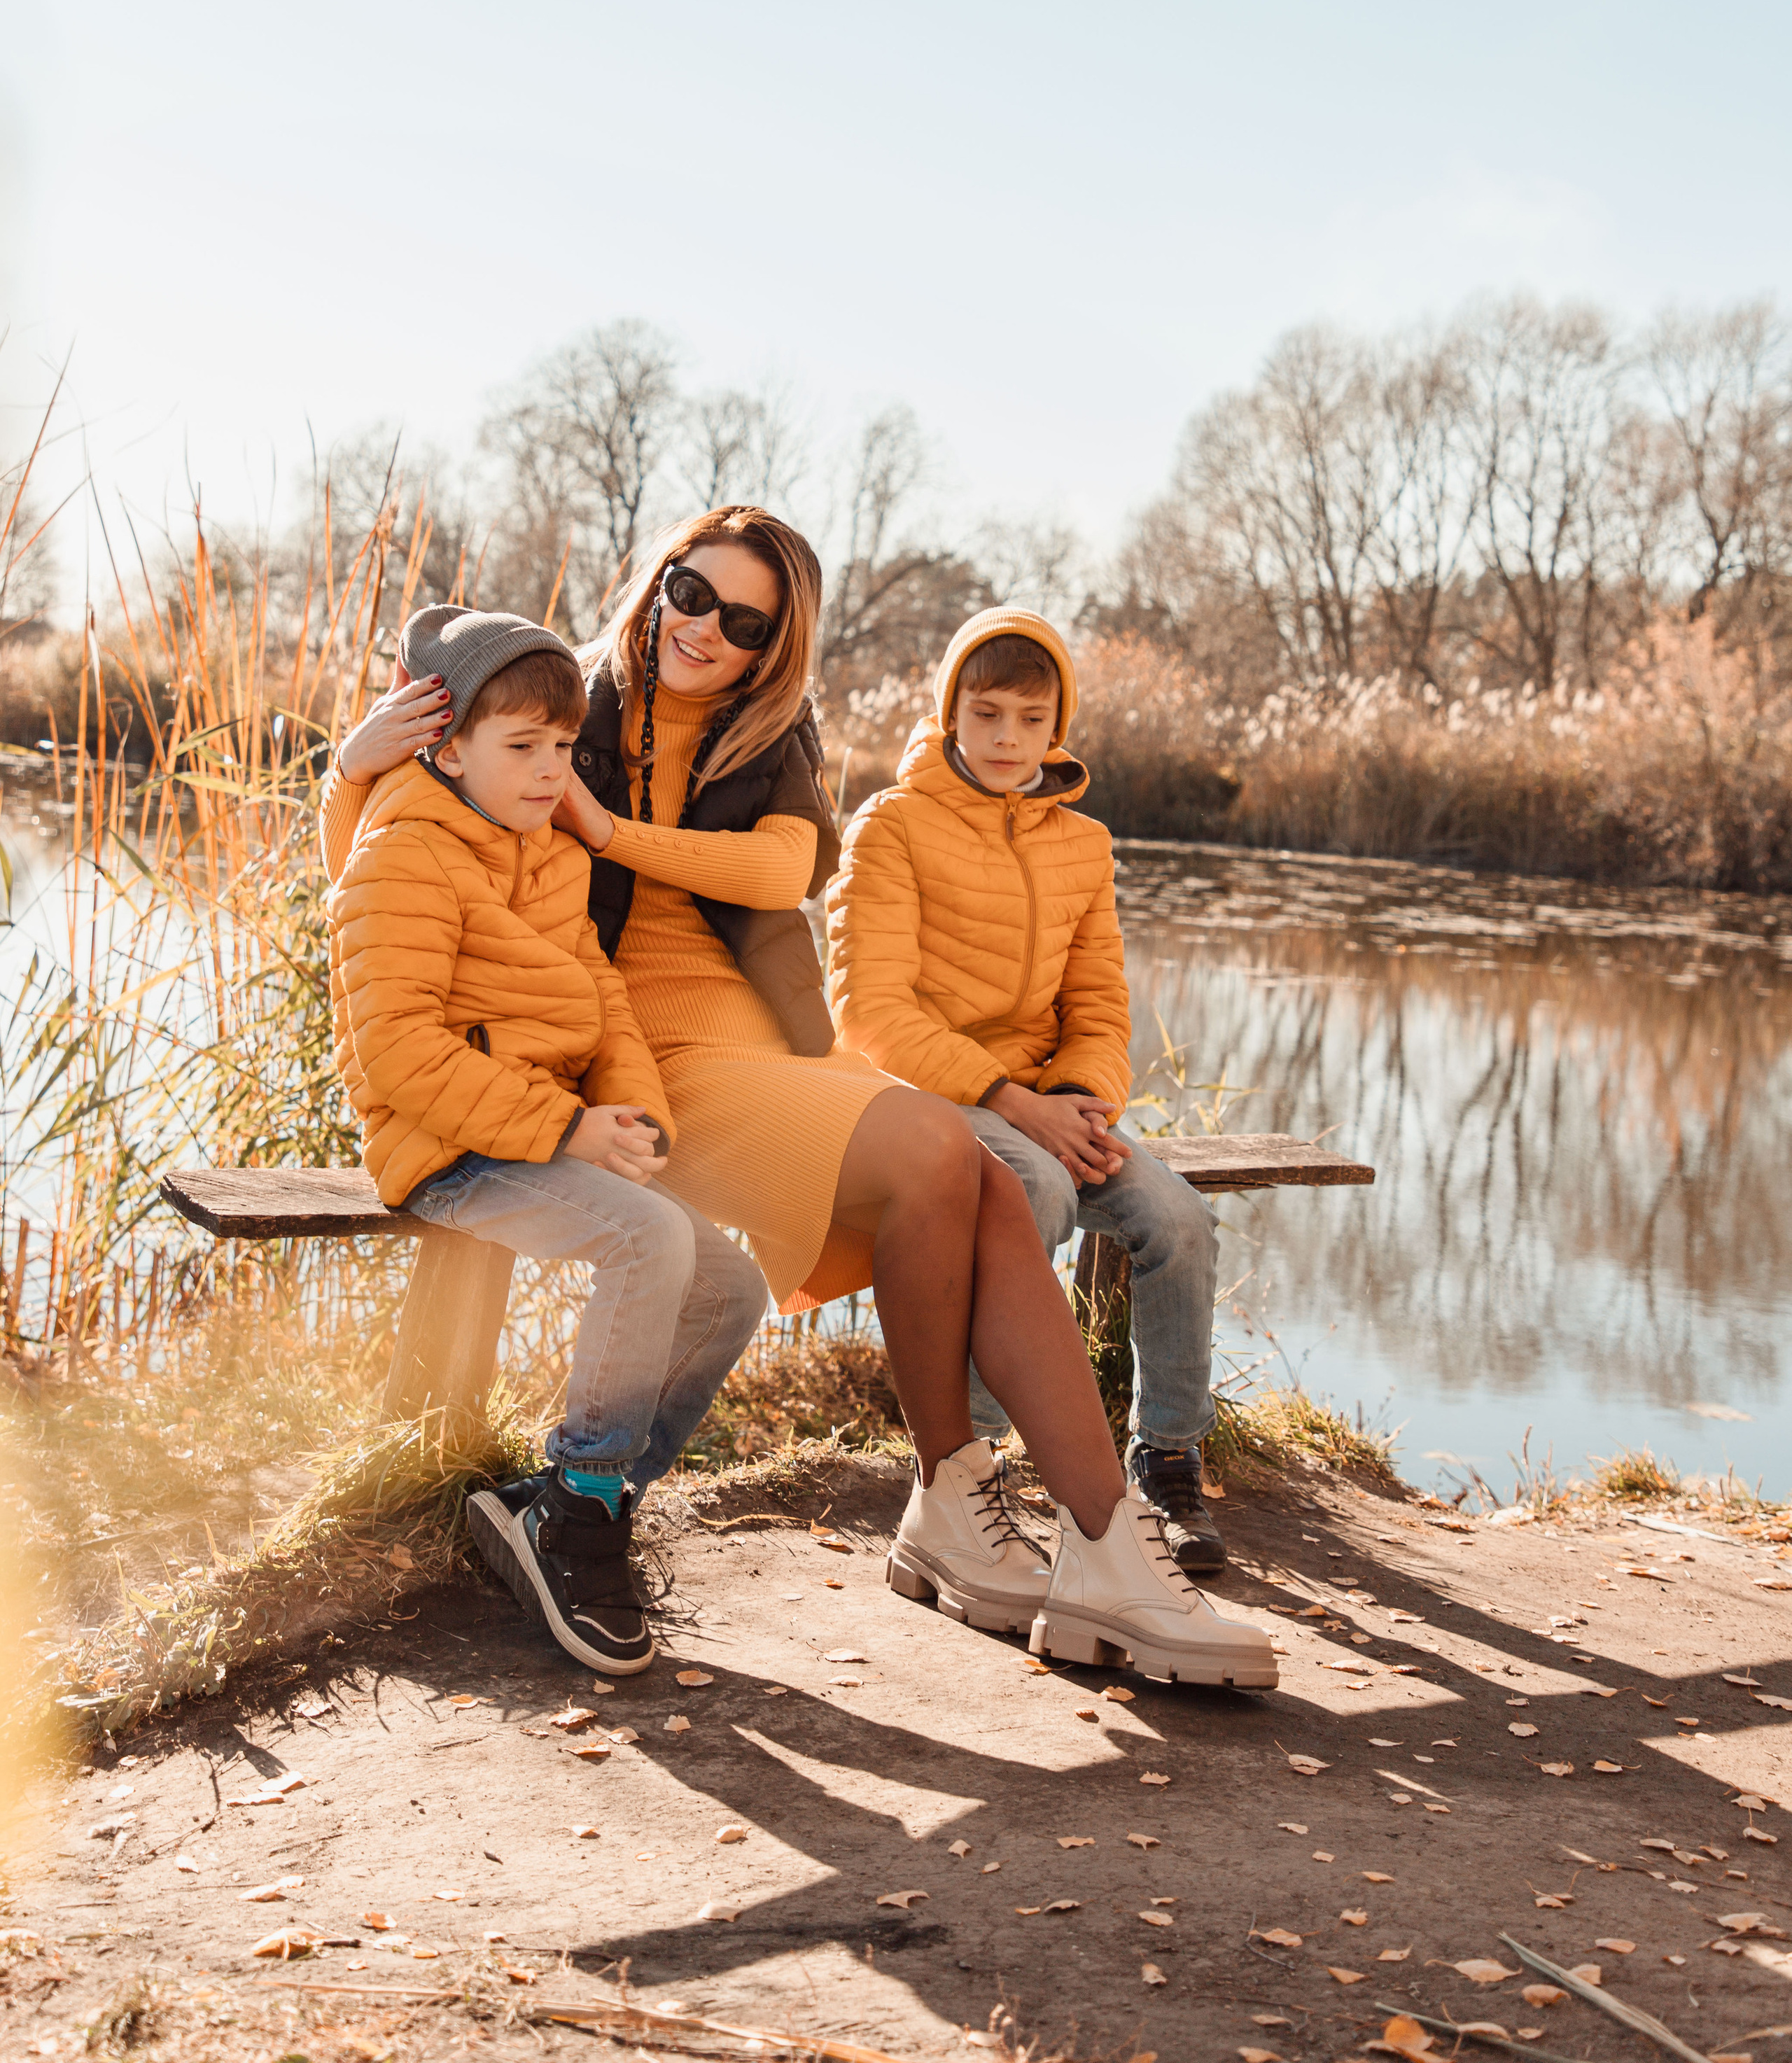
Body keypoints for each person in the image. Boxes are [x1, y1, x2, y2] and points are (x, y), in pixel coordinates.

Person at [333, 515, 1275, 1690]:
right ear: (659, 580)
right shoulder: (560, 701)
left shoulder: (770, 730)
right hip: (653, 1052)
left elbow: (785, 871)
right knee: (936, 1145)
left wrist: (612, 829)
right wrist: (349, 764)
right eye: (691, 593)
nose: (704, 629)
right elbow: (386, 855)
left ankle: (1003, 1518)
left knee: (978, 1174)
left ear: (774, 646)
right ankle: (1080, 1543)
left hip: (766, 1039)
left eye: (745, 623)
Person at [325, 606, 768, 1677]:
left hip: (538, 1136)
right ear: (448, 747)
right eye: (521, 746)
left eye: (563, 747)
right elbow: (397, 1054)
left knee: (732, 1288)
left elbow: (601, 1000)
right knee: (649, 1243)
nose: (548, 771)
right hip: (444, 1150)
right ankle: (580, 1525)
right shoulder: (401, 855)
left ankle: (573, 1498)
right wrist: (568, 1126)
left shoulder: (549, 854)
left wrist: (631, 1112)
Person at [827, 609, 1229, 1575]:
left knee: (1180, 1221)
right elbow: (871, 1010)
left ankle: (1166, 1461)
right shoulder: (890, 826)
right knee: (1035, 1190)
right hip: (924, 1096)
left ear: (1058, 726)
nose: (1009, 738)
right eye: (987, 714)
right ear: (950, 714)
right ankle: (964, 1470)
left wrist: (1083, 1099)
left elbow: (1098, 1002)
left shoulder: (1082, 844)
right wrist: (1012, 1101)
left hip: (1051, 1105)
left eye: (1032, 718)